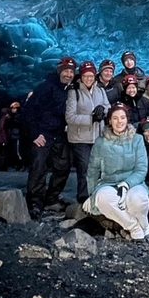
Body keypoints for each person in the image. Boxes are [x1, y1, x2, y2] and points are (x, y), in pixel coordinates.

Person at [84, 103, 149, 241]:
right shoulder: (101, 142)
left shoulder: (137, 140)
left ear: (127, 119)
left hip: (133, 183)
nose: (119, 121)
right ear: (110, 121)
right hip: (109, 183)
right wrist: (91, 195)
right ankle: (133, 227)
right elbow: (92, 170)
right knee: (102, 198)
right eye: (115, 118)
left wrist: (127, 184)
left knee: (137, 199)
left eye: (122, 117)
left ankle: (144, 225)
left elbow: (141, 169)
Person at [24, 56, 76, 219]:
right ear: (59, 71)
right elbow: (29, 110)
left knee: (63, 167)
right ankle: (35, 202)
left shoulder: (71, 89)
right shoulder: (46, 87)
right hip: (43, 134)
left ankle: (51, 198)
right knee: (38, 167)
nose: (68, 74)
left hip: (60, 134)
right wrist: (34, 134)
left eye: (71, 71)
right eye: (65, 71)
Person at [65, 60, 110, 204]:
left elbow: (108, 106)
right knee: (84, 166)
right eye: (86, 76)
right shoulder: (74, 92)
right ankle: (83, 195)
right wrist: (91, 118)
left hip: (97, 135)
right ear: (81, 77)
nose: (89, 78)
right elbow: (70, 117)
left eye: (91, 76)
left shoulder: (100, 90)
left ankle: (96, 193)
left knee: (97, 166)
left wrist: (103, 111)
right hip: (79, 137)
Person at [0, 101, 25, 171]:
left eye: (14, 108)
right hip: (10, 136)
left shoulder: (19, 116)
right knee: (10, 152)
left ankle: (21, 165)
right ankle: (16, 165)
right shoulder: (9, 116)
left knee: (17, 152)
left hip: (17, 136)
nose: (12, 109)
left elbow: (18, 124)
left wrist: (11, 119)